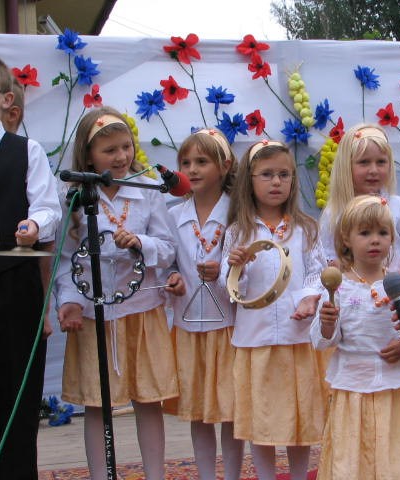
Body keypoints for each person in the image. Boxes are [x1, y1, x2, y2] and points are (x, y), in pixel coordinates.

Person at [55, 106, 177, 480]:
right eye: (110, 150)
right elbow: (65, 257)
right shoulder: (73, 196)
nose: (122, 156)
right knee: (97, 403)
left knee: (149, 400)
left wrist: (140, 242)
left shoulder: (148, 189)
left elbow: (168, 248)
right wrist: (69, 301)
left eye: (126, 147)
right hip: (94, 315)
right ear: (89, 155)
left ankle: (155, 474)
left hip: (142, 311)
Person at [0, 51, 61, 480]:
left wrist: (33, 224)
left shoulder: (28, 150)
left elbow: (48, 207)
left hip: (15, 290)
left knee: (17, 403)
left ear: (6, 100)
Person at [310, 195, 400, 479]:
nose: (375, 240)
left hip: (395, 385)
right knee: (353, 456)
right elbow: (323, 340)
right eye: (365, 233)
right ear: (346, 239)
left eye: (383, 233)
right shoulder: (338, 288)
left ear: (392, 239)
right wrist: (327, 323)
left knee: (399, 453)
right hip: (353, 386)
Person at [222, 140, 327, 480]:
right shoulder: (238, 231)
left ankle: (299, 475)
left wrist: (309, 298)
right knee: (261, 419)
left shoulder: (306, 228)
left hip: (298, 339)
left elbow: (318, 273)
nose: (276, 182)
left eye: (284, 174)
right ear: (249, 180)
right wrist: (237, 265)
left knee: (300, 417)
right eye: (266, 174)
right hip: (257, 340)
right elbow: (231, 286)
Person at [163, 128, 244, 479]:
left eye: (202, 161)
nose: (192, 169)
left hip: (228, 326)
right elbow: (167, 261)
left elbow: (247, 261)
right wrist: (173, 277)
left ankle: (233, 474)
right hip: (188, 326)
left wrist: (223, 269)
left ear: (224, 166)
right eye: (186, 163)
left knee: (230, 411)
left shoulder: (238, 213)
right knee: (198, 413)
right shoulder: (173, 215)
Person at [319, 123, 400, 281]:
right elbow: (327, 259)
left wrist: (395, 285)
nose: (373, 170)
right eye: (364, 162)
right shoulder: (335, 212)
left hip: (395, 292)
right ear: (346, 165)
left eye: (381, 162)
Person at [2, 74, 55, 339]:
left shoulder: (29, 155)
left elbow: (46, 246)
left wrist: (44, 310)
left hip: (17, 293)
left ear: (12, 113)